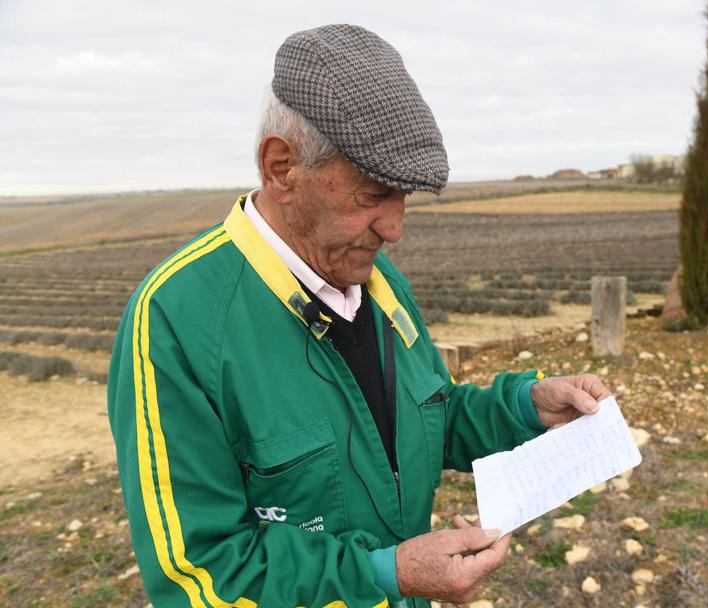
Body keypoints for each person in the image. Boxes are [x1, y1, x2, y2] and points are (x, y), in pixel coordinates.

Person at [108, 24, 611, 608]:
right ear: (280, 168)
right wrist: (383, 575)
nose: (394, 230)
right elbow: (200, 577)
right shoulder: (174, 321)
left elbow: (427, 420)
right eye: (372, 197)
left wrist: (525, 406)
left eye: (404, 200)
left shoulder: (372, 278)